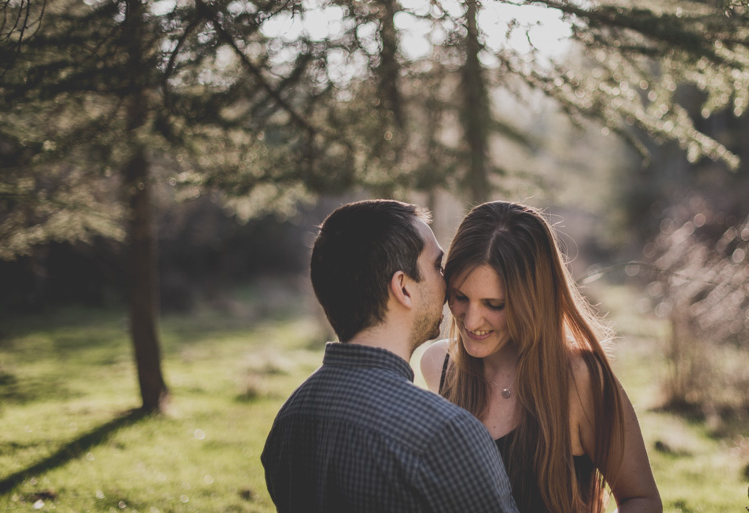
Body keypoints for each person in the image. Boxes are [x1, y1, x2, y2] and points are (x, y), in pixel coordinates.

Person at [261, 199, 519, 513]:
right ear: (403, 288)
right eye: (437, 266)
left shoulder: (289, 420)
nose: (449, 282)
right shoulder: (446, 433)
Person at [421, 201, 662, 513]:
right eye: (460, 297)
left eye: (494, 304)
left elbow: (641, 501)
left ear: (532, 300)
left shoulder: (581, 379)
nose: (471, 321)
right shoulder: (437, 366)